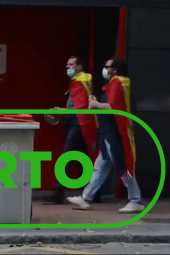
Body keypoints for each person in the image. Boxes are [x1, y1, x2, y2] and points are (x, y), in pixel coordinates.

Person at [67, 57, 145, 213]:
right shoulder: (114, 83)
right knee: (101, 166)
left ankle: (135, 200)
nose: (105, 69)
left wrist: (96, 105)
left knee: (122, 165)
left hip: (114, 132)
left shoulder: (120, 82)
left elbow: (114, 108)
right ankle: (86, 197)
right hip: (107, 131)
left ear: (115, 70)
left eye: (107, 66)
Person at [43, 56, 98, 205]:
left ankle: (58, 192)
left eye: (71, 64)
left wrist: (63, 110)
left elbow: (80, 108)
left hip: (78, 123)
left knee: (67, 157)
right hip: (78, 122)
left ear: (79, 67)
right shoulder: (78, 81)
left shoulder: (81, 81)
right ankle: (93, 192)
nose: (68, 67)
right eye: (67, 64)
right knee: (83, 159)